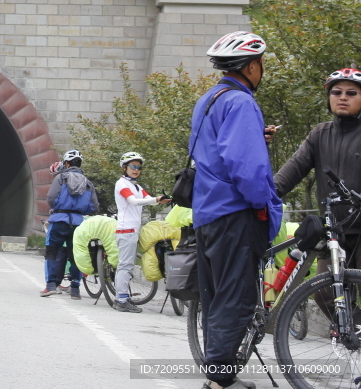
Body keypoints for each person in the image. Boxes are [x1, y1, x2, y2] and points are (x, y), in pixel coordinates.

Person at [191, 31, 282, 389]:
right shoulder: (242, 103)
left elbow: (214, 153)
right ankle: (220, 379)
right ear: (252, 65)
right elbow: (246, 168)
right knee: (237, 296)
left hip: (208, 211)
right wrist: (263, 201)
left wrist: (256, 139)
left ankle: (218, 370)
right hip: (235, 213)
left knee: (216, 294)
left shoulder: (209, 99)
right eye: (261, 65)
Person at [274, 68, 361, 318]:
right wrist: (262, 197)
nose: (342, 97)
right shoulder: (320, 134)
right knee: (323, 293)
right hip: (334, 231)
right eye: (336, 92)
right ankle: (351, 331)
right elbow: (290, 173)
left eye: (351, 93)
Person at [112, 151, 170, 312]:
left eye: (139, 167)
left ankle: (122, 297)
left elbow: (149, 199)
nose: (136, 169)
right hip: (126, 230)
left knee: (127, 265)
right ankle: (121, 300)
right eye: (133, 166)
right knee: (125, 266)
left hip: (133, 230)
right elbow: (134, 201)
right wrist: (156, 199)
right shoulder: (122, 184)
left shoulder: (136, 186)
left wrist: (164, 199)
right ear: (124, 168)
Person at [42, 150, 98, 299]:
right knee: (76, 256)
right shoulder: (88, 182)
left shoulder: (61, 178)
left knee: (51, 252)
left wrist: (57, 208)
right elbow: (94, 207)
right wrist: (80, 211)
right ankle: (75, 289)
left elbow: (51, 197)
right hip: (78, 223)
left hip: (59, 220)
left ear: (66, 164)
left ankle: (51, 285)